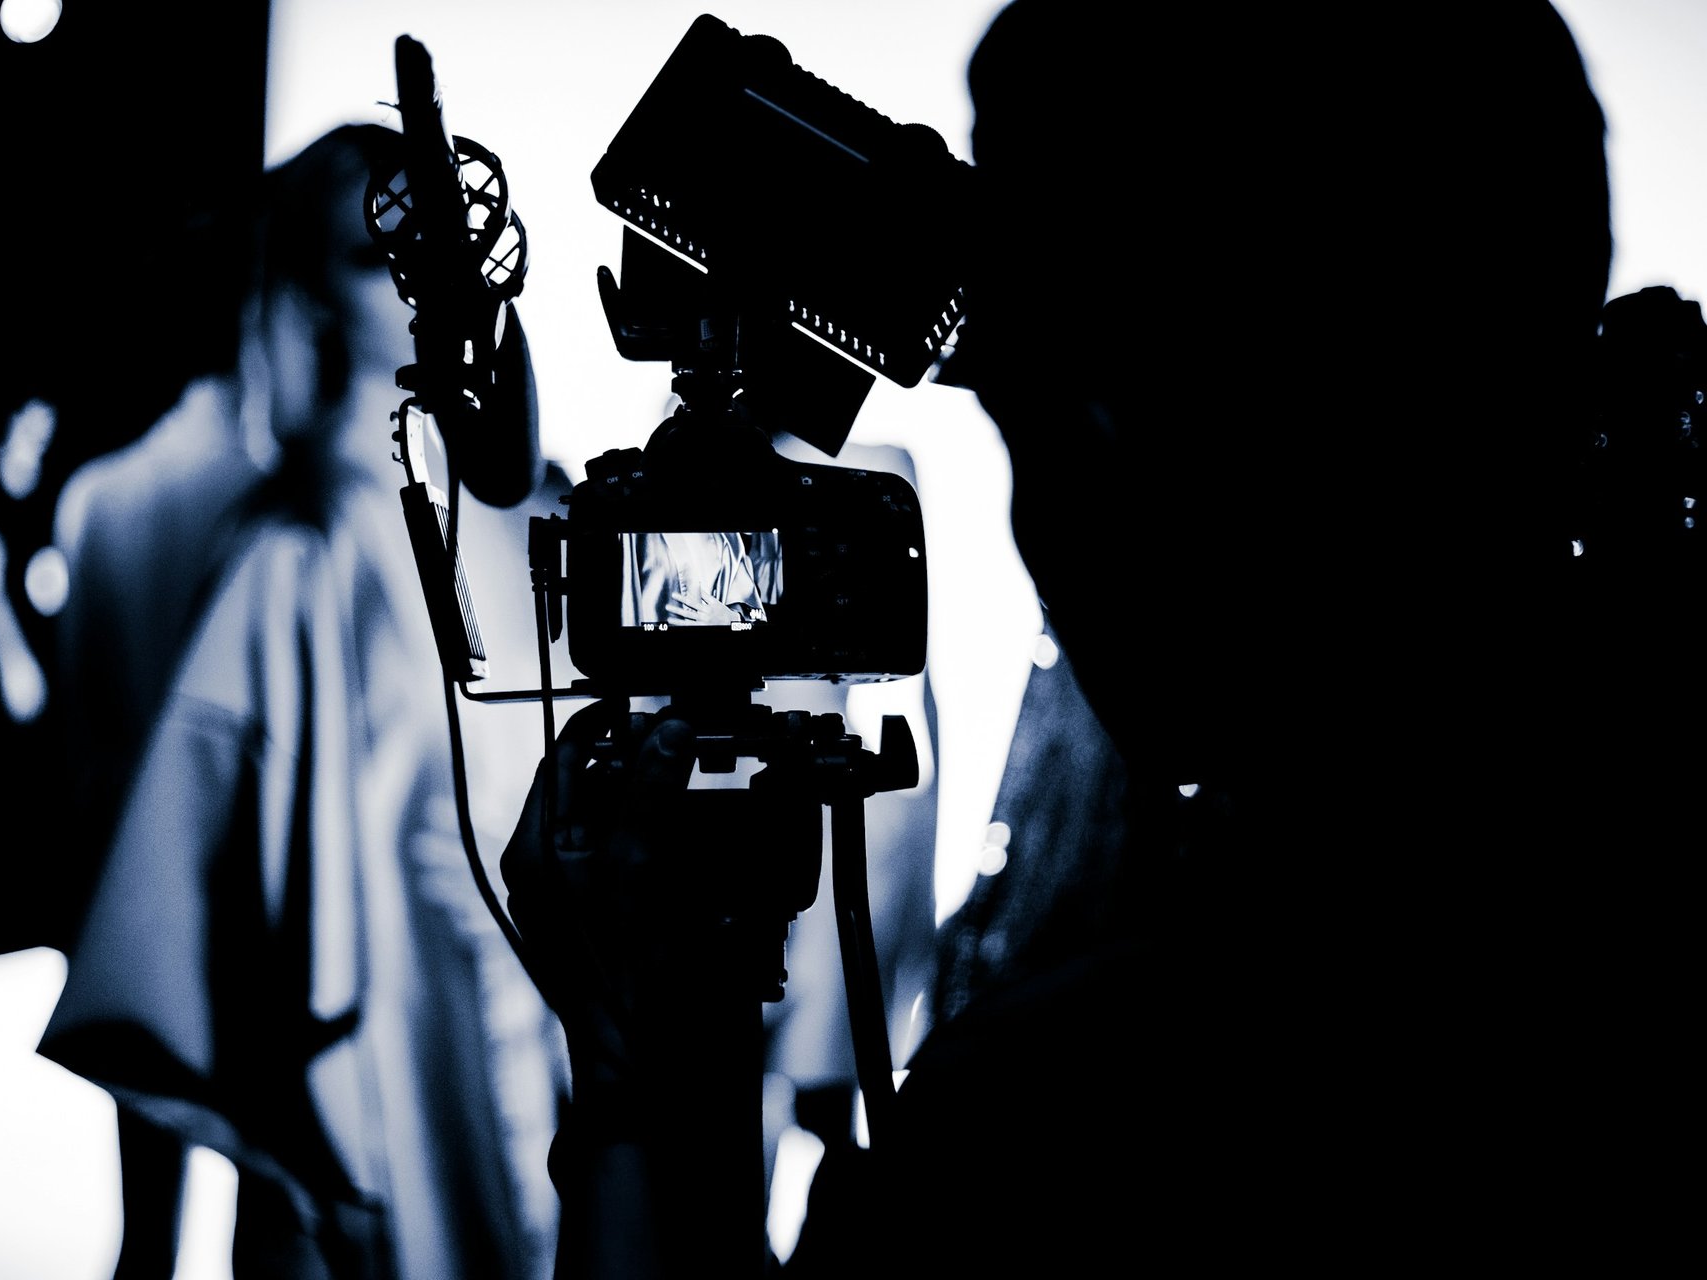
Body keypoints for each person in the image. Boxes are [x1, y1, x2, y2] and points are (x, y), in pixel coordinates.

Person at [495, 3, 1691, 1274]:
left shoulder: (1054, 1138)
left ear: (1121, 453)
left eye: (1034, 426)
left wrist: (645, 1075)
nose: (1038, 530)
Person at [38, 122, 566, 1279]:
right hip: (388, 1050)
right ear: (310, 292)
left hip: (548, 1032)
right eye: (379, 257)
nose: (425, 281)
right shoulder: (294, 557)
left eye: (440, 245)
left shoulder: (541, 513)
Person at [621, 529, 776, 627]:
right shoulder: (633, 537)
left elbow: (753, 613)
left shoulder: (728, 536)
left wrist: (732, 620)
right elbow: (627, 606)